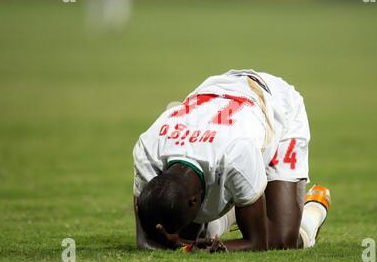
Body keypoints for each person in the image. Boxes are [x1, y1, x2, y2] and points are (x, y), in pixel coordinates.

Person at [132, 69, 331, 252]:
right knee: (187, 229)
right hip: (217, 96)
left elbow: (258, 243)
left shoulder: (236, 155)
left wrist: (187, 245)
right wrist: (176, 240)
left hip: (276, 104)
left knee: (280, 240)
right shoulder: (148, 147)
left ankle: (314, 211)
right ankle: (239, 208)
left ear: (195, 201)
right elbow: (144, 238)